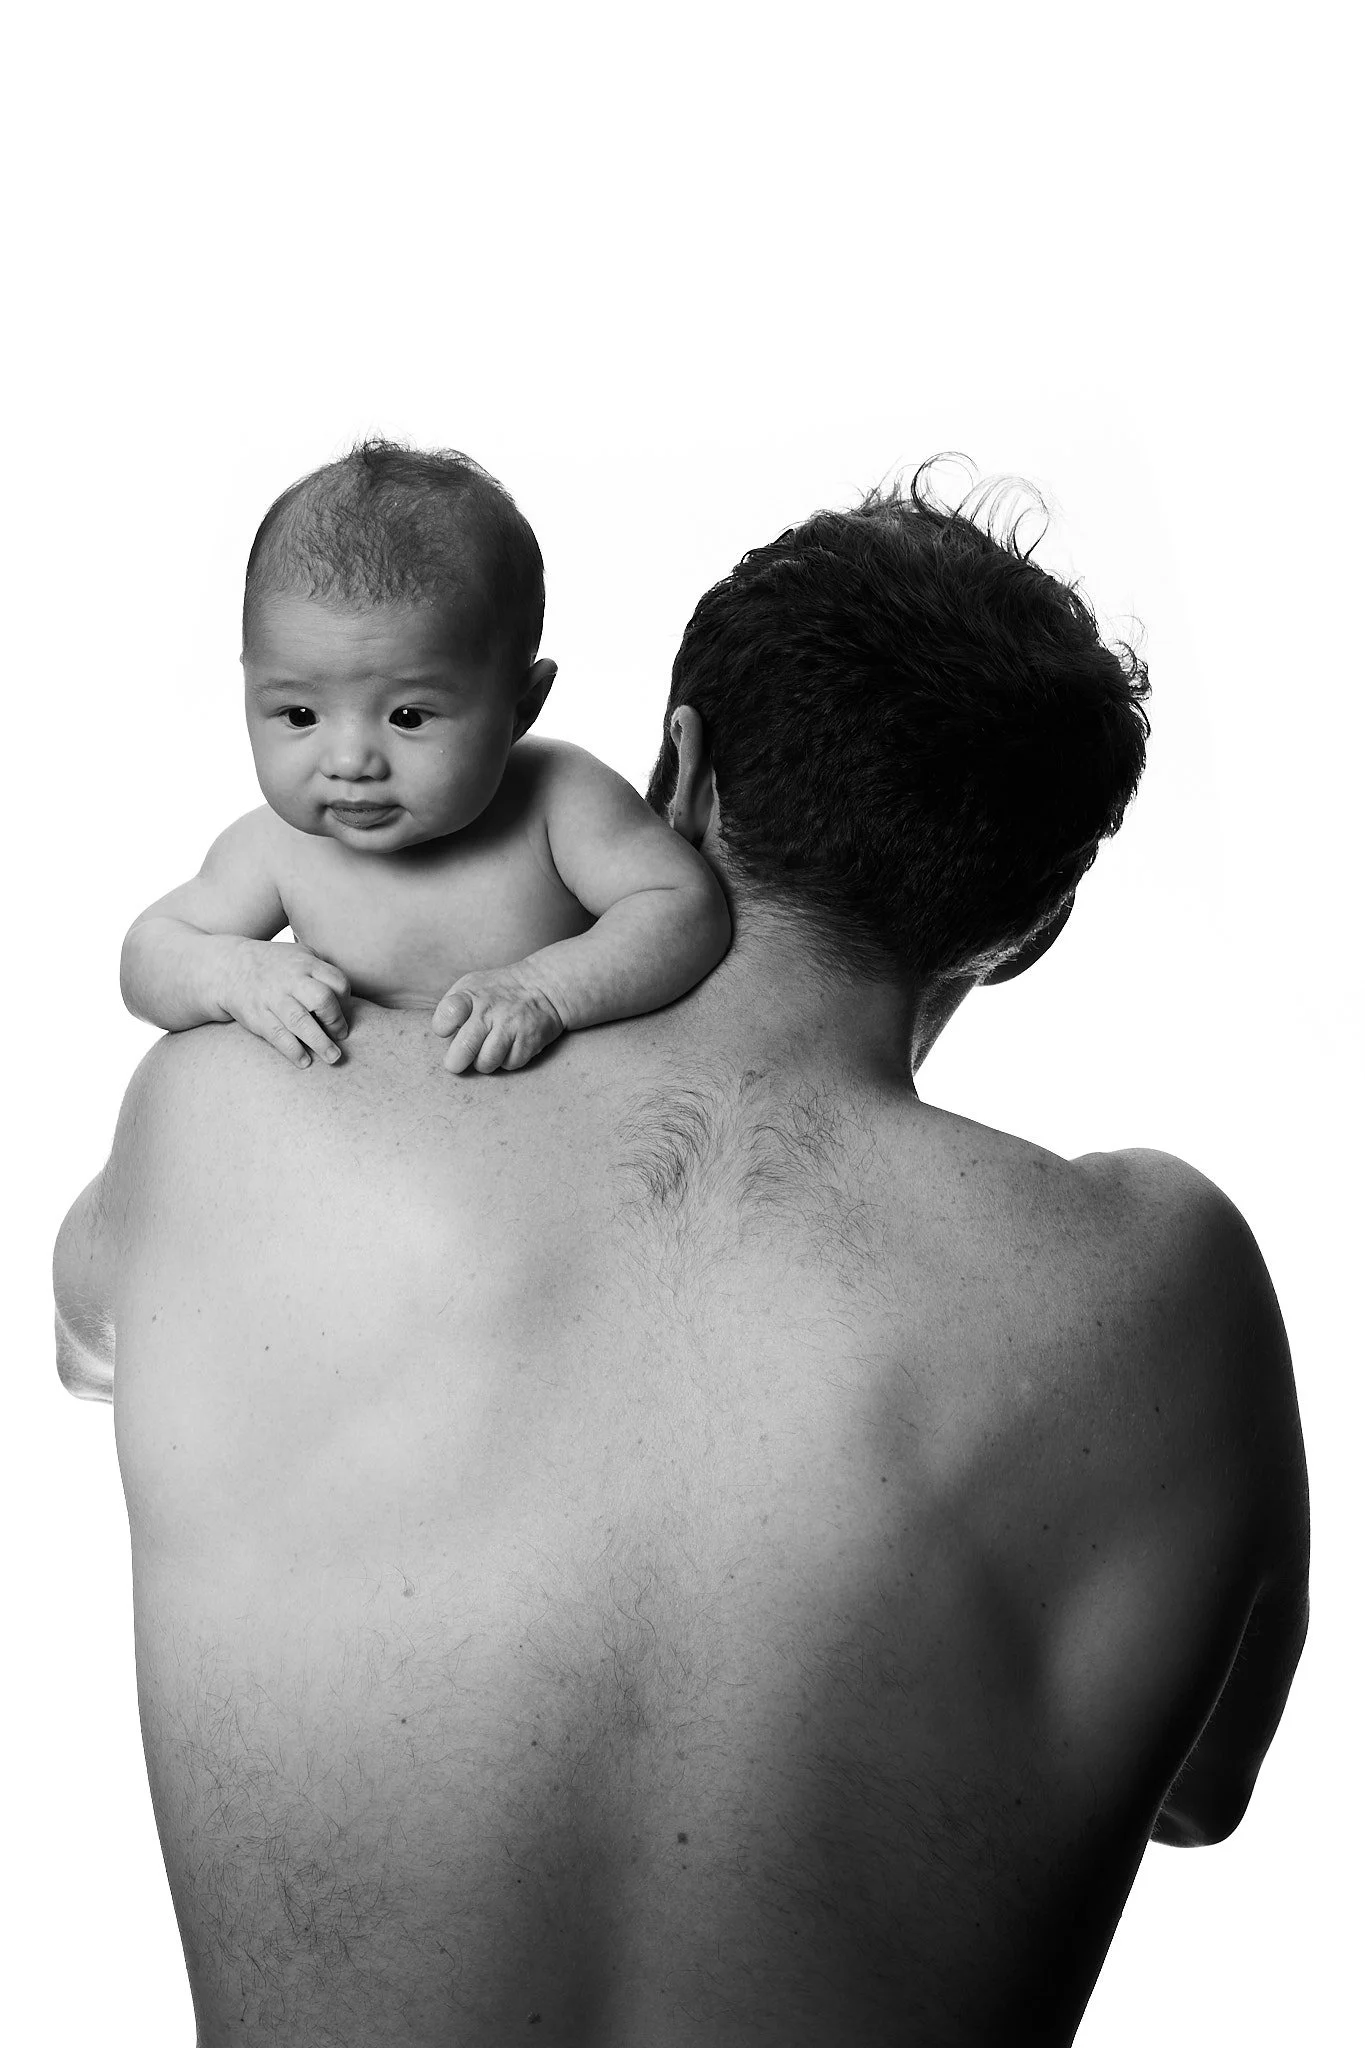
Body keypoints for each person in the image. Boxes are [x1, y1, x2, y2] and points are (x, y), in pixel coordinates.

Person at [55, 470, 1309, 2046]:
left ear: (679, 771)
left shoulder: (230, 1111)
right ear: (1032, 926)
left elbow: (94, 1344)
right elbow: (1201, 1788)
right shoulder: (1164, 1292)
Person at [121, 440, 731, 1074]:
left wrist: (547, 988)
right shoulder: (275, 849)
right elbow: (147, 953)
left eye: (408, 717)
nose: (351, 762)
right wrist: (235, 972)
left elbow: (685, 905)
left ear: (522, 707)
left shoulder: (559, 803)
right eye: (300, 715)